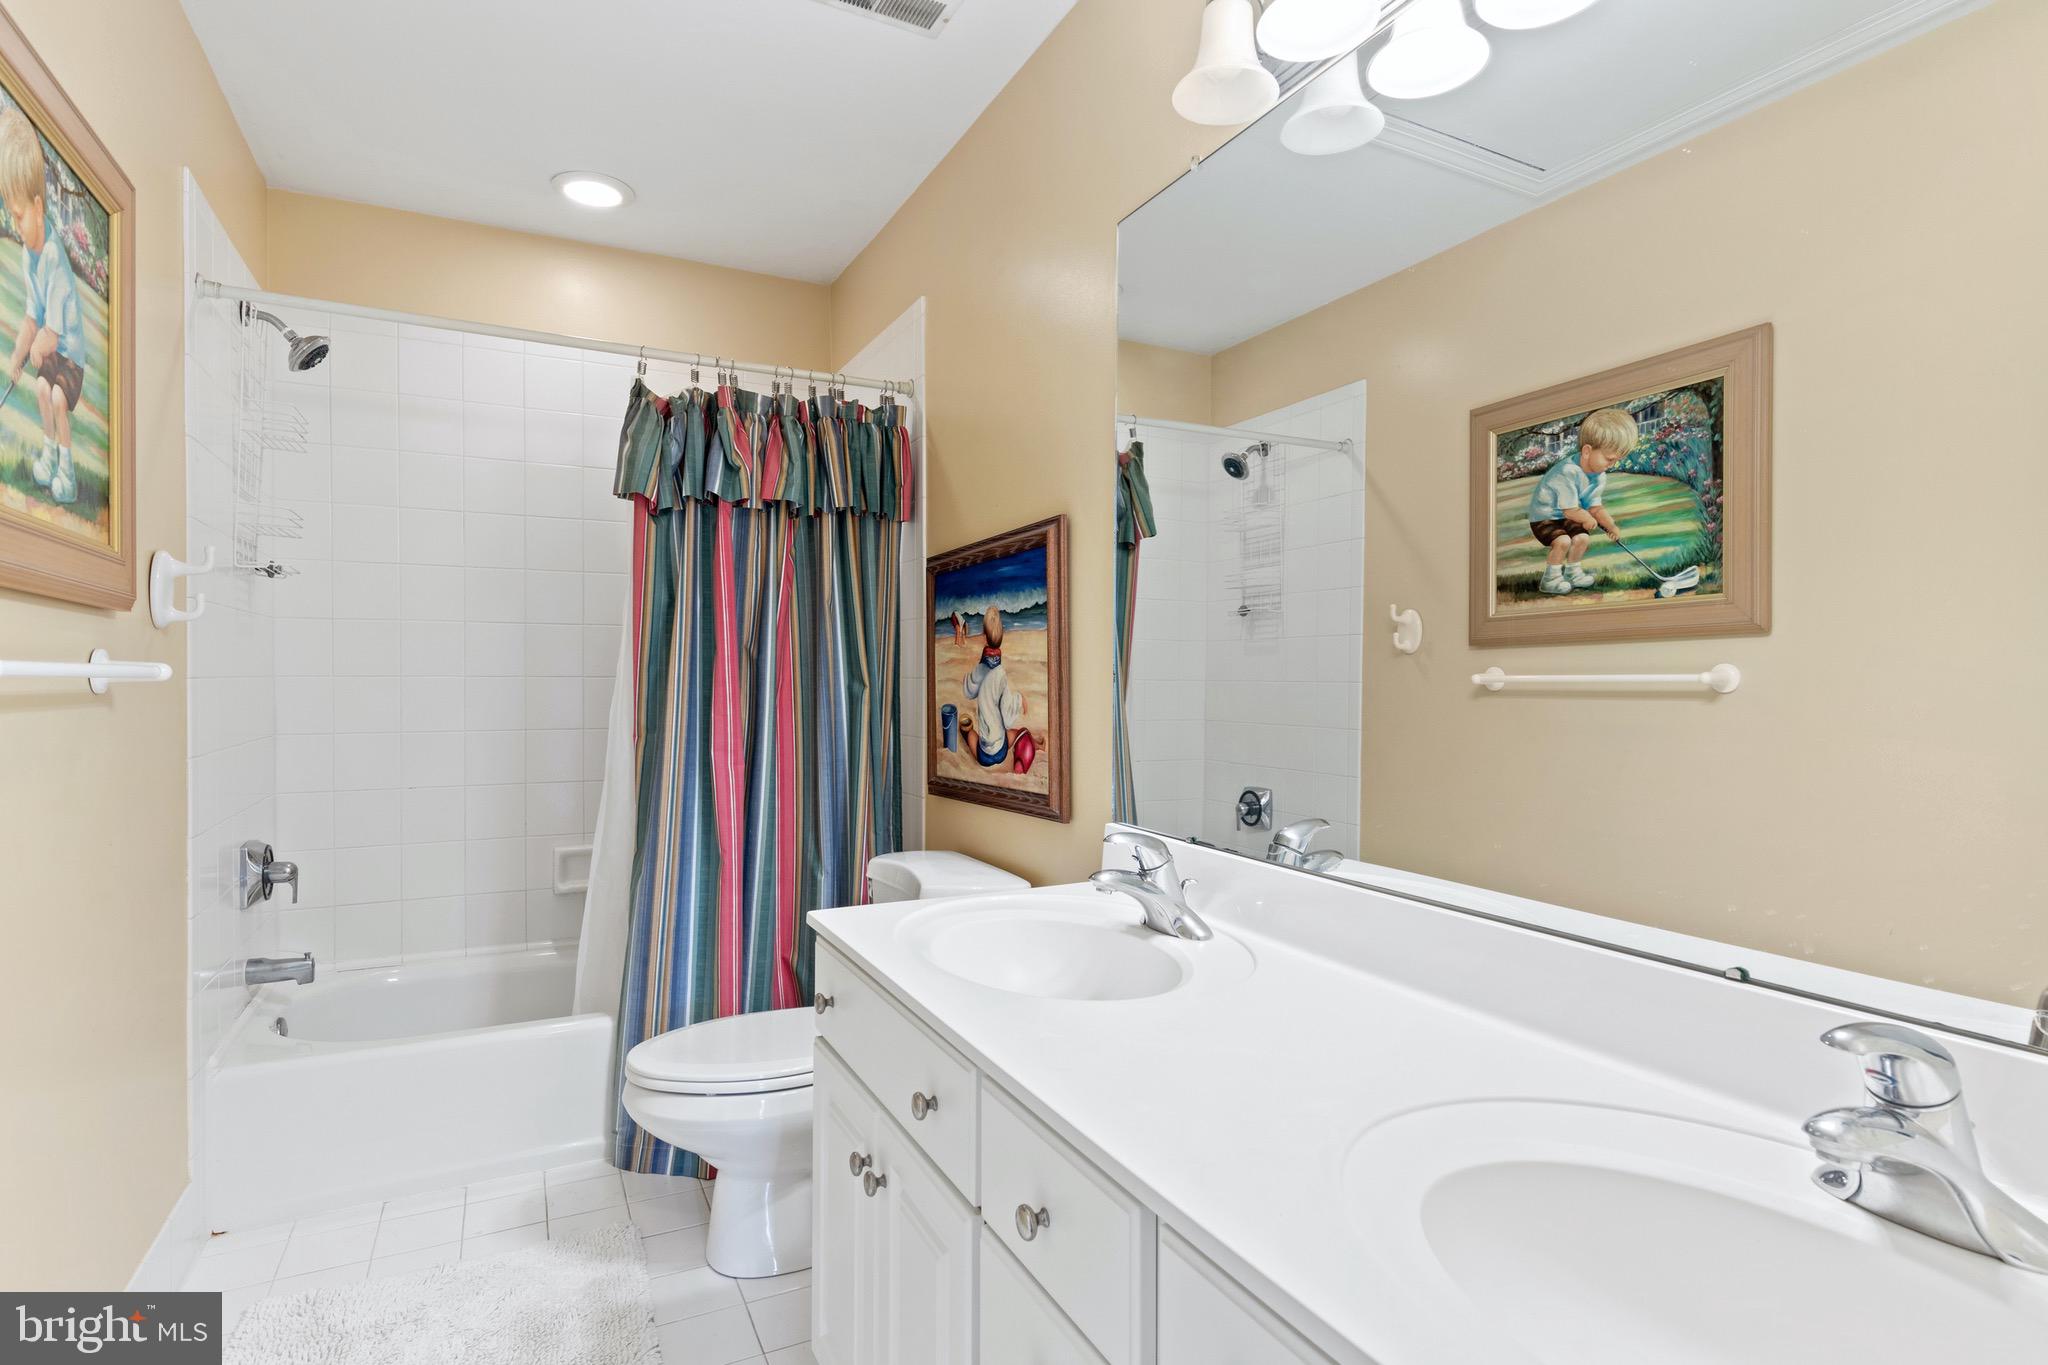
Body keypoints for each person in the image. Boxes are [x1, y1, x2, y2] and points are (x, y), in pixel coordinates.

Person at [0, 106, 87, 507]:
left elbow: (50, 333)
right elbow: (31, 318)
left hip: (70, 359)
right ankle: (49, 453)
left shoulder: (53, 255)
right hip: (50, 354)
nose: (16, 226)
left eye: (19, 216)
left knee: (55, 398)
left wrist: (35, 349)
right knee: (38, 386)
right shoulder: (28, 257)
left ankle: (66, 469)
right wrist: (18, 356)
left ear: (38, 206)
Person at [1525, 407, 1637, 596]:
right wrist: (1585, 518)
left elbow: (1595, 507)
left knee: (1582, 538)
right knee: (1562, 541)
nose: (1612, 465)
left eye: (1616, 461)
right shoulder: (1567, 472)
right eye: (1609, 459)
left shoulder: (1599, 476)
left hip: (1569, 514)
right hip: (1544, 517)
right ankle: (1550, 580)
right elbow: (1570, 511)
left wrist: (1611, 526)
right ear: (1587, 451)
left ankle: (1573, 573)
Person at [961, 608, 1028, 770]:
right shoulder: (1001, 674)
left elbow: (968, 692)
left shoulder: (980, 669)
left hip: (984, 753)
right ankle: (1029, 743)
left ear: (984, 634)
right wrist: (1020, 700)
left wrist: (968, 679)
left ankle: (967, 733)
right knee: (1016, 731)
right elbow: (1007, 715)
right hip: (1002, 750)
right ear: (1002, 635)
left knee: (967, 731)